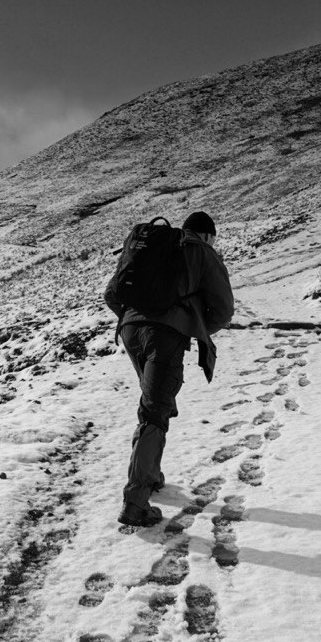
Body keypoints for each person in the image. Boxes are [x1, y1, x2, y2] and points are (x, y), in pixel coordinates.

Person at [104, 211, 235, 527]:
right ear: (205, 235)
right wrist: (192, 322)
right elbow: (223, 310)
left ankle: (149, 475)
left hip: (130, 329)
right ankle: (136, 503)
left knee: (153, 403)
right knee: (155, 411)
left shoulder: (149, 244)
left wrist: (135, 317)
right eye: (212, 238)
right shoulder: (201, 251)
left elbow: (112, 293)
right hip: (165, 334)